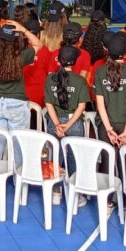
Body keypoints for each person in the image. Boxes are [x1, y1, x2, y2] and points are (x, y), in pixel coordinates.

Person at [0, 22, 41, 198]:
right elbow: (38, 44)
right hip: (17, 105)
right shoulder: (19, 57)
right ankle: (20, 183)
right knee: (19, 146)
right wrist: (23, 29)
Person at [44, 45, 89, 207]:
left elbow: (48, 104)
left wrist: (57, 125)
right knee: (73, 159)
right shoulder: (80, 81)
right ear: (75, 62)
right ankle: (75, 195)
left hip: (54, 124)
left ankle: (56, 192)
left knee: (55, 158)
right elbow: (81, 107)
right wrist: (68, 125)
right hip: (74, 123)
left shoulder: (50, 79)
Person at [92, 32, 126, 157]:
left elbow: (100, 105)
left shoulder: (100, 71)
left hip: (105, 124)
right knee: (124, 165)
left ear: (107, 50)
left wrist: (108, 129)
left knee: (107, 165)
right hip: (125, 123)